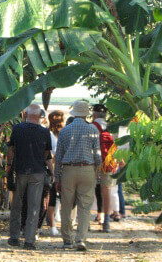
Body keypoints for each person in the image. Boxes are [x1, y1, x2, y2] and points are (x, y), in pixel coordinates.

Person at [55, 101, 101, 251]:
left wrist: (57, 178)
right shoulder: (93, 129)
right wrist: (96, 174)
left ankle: (67, 240)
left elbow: (58, 157)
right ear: (86, 114)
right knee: (85, 207)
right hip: (87, 169)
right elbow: (98, 156)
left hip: (68, 170)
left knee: (67, 206)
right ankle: (81, 239)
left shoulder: (65, 131)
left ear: (73, 113)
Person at [6, 104, 54, 250]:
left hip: (20, 171)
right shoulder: (45, 132)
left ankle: (14, 237)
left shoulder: (17, 129)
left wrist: (9, 165)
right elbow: (47, 155)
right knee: (33, 207)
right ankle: (29, 240)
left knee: (16, 205)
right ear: (40, 116)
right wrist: (52, 172)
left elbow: (11, 149)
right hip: (37, 171)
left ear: (26, 114)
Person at [92, 104, 116, 232]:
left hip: (93, 163)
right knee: (107, 193)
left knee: (88, 191)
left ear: (94, 114)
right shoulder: (111, 128)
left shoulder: (91, 127)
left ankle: (86, 223)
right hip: (109, 163)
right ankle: (106, 222)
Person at [46, 110, 65, 236]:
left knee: (51, 197)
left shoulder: (47, 134)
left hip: (51, 168)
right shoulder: (64, 134)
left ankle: (52, 223)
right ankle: (56, 223)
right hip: (62, 168)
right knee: (60, 197)